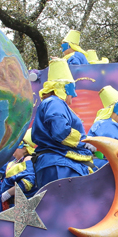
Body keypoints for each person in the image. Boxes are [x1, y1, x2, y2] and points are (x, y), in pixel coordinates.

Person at [31, 58, 93, 188]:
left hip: (57, 163)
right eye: (72, 88)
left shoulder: (52, 103)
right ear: (64, 88)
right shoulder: (55, 102)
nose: (74, 95)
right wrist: (84, 141)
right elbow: (60, 131)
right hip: (59, 164)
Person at [0, 129, 37, 206]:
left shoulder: (29, 159)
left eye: (15, 146)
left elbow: (27, 182)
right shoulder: (13, 162)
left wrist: (7, 194)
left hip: (20, 206)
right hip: (8, 204)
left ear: (24, 148)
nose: (12, 150)